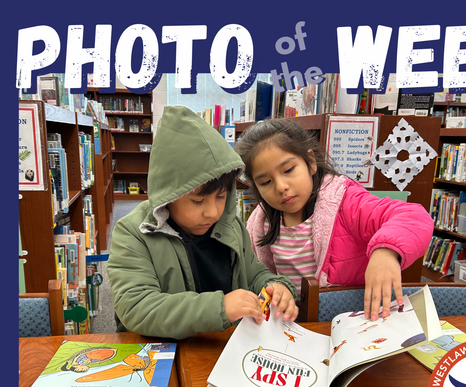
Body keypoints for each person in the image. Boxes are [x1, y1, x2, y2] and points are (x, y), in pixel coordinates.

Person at [107, 107, 298, 340]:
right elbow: (137, 307)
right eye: (198, 201)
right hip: (161, 353)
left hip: (222, 349)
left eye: (221, 197)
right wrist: (219, 307)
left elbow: (252, 273)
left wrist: (274, 286)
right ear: (168, 195)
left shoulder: (231, 225)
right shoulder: (133, 233)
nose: (213, 212)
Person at [235, 118, 434, 321]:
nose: (281, 186)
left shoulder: (345, 203)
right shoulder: (260, 223)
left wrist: (386, 250)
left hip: (350, 321)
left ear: (310, 162)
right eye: (266, 182)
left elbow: (414, 217)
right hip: (291, 328)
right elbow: (256, 276)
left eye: (288, 170)